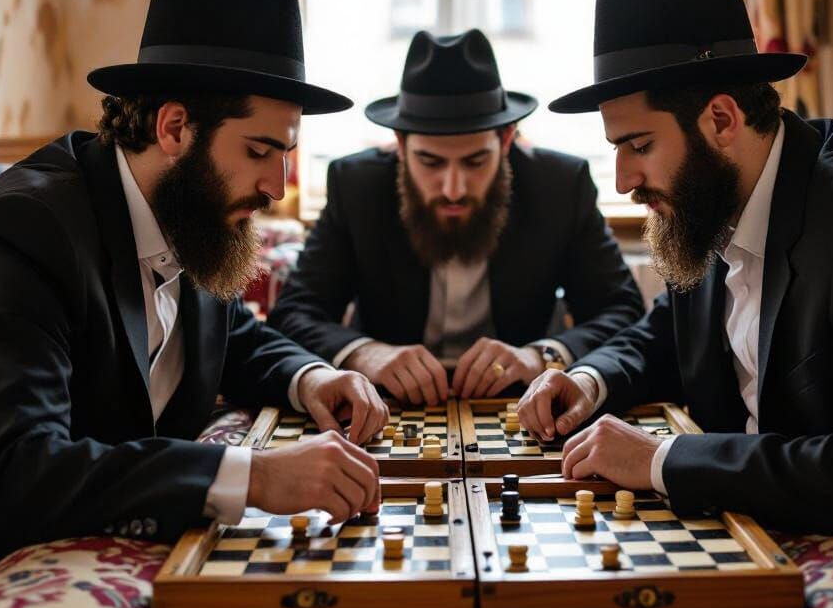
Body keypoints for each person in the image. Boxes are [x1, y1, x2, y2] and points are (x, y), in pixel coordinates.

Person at [0, 0, 389, 604]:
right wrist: (251, 475)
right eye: (261, 150)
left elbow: (228, 332)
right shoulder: (25, 231)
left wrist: (309, 377)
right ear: (175, 127)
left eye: (285, 154)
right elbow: (14, 476)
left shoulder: (189, 213)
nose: (277, 185)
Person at [516, 0, 833, 566]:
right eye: (617, 149)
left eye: (640, 146)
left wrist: (660, 459)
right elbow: (665, 335)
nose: (624, 181)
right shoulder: (712, 199)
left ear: (722, 120)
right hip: (742, 531)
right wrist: (589, 379)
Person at [269, 29, 644, 405]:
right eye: (430, 162)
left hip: (522, 400)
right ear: (401, 146)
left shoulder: (560, 186)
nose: (453, 188)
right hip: (385, 401)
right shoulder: (356, 186)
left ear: (507, 140)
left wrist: (540, 356)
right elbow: (295, 313)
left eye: (475, 161)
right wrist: (365, 353)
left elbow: (622, 310)